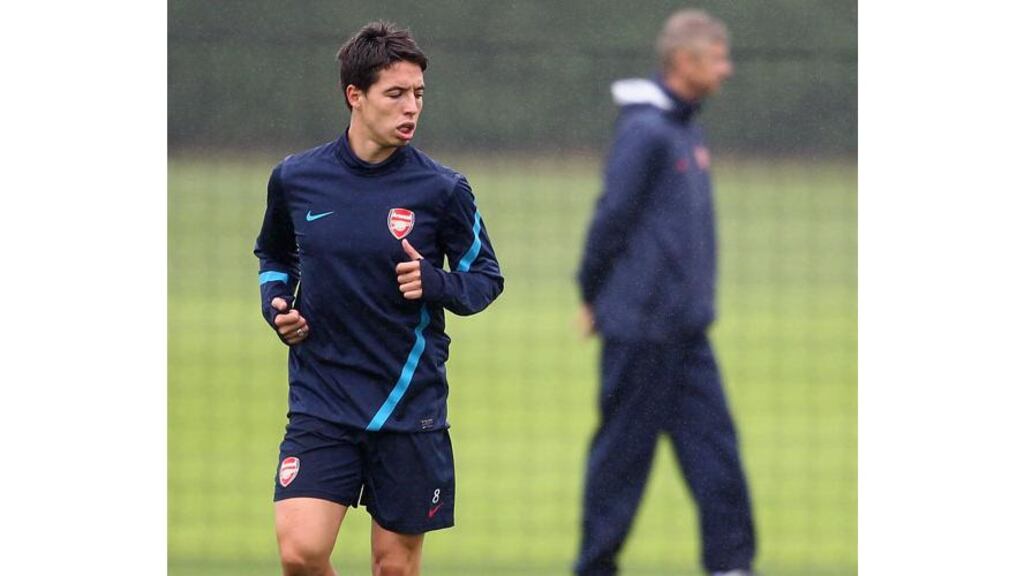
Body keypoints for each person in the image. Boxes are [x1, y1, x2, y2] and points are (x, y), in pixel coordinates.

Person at [253, 21, 503, 576]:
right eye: (395, 94)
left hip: (408, 407)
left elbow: (486, 278)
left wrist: (435, 283)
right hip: (323, 399)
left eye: (418, 94)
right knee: (300, 552)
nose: (411, 107)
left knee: (394, 568)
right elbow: (274, 256)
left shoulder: (443, 190)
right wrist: (277, 308)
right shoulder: (296, 179)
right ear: (355, 96)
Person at [574, 10, 756, 576]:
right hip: (640, 329)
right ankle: (594, 567)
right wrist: (590, 292)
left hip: (686, 331)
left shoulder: (684, 127)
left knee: (718, 460)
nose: (726, 70)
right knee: (621, 464)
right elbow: (611, 218)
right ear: (685, 62)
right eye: (718, 58)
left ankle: (731, 566)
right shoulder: (647, 131)